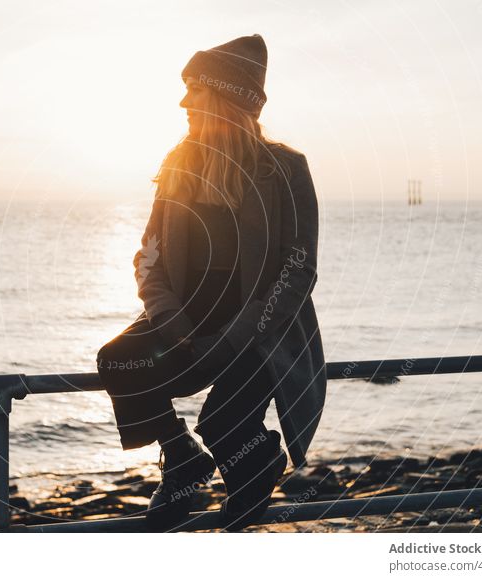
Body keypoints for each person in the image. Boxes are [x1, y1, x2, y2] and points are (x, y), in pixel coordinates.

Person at [96, 34, 327, 532]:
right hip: (187, 328)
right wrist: (170, 319)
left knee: (222, 423)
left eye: (194, 90)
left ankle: (257, 462)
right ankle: (182, 459)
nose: (183, 102)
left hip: (262, 337)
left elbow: (299, 267)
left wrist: (243, 332)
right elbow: (149, 257)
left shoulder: (286, 170)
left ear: (226, 97)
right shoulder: (178, 165)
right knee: (117, 359)